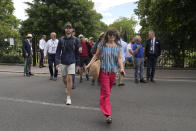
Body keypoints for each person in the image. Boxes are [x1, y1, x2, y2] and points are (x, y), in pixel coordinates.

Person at [86, 28, 125, 124]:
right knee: (107, 93)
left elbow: (120, 59)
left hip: (113, 72)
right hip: (103, 71)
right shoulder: (102, 45)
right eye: (110, 35)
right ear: (107, 35)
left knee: (107, 92)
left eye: (113, 35)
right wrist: (89, 65)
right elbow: (95, 56)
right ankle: (108, 115)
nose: (112, 37)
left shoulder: (118, 46)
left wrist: (122, 68)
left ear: (116, 36)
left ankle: (103, 102)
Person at [55, 24, 80, 105]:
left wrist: (77, 64)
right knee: (64, 79)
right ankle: (67, 87)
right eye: (67, 28)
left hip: (72, 61)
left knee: (70, 78)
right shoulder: (61, 39)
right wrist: (57, 62)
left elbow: (77, 53)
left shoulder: (75, 40)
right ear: (65, 30)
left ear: (72, 30)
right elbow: (58, 52)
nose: (68, 29)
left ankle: (68, 97)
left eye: (70, 28)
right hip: (63, 61)